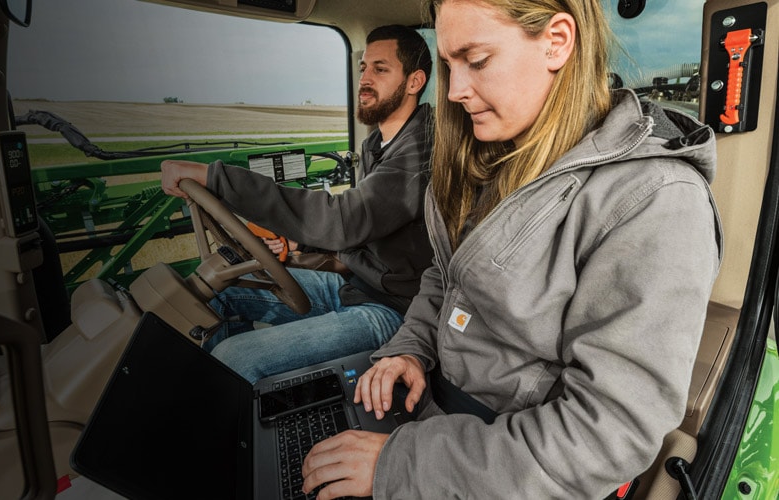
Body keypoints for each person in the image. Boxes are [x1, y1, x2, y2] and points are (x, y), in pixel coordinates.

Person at [298, 0, 721, 498]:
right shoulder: (498, 155)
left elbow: (604, 435)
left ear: (557, 42)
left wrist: (404, 466)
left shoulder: (654, 200)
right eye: (449, 65)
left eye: (476, 61)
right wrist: (412, 349)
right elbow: (446, 275)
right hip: (437, 422)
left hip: (510, 469)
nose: (454, 92)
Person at [159, 25, 436, 383]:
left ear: (414, 82)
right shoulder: (376, 146)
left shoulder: (421, 150)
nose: (365, 79)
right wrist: (299, 243)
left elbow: (345, 220)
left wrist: (216, 179)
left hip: (395, 312)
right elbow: (365, 226)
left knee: (235, 357)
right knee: (223, 294)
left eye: (380, 69)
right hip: (352, 287)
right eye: (363, 67)